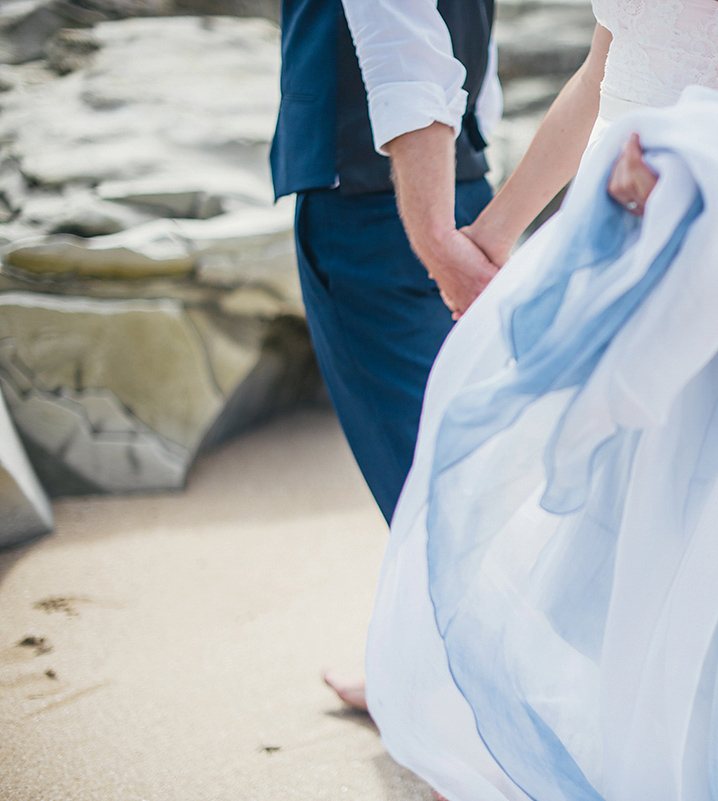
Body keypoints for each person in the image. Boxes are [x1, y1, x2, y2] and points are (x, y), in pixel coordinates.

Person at [351, 1, 718, 800]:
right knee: (639, 570)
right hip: (617, 249)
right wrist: (496, 231)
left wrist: (681, 158)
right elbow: (605, 74)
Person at [269, 0, 501, 708]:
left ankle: (475, 713)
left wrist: (434, 239)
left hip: (382, 204)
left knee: (428, 473)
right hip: (460, 180)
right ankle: (424, 663)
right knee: (481, 455)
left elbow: (402, 38)